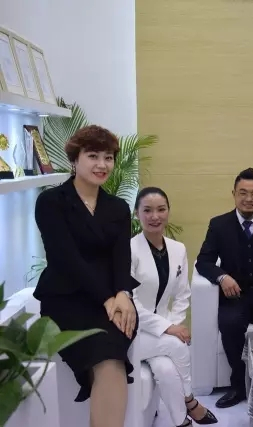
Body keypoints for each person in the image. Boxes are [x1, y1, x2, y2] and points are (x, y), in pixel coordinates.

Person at [33, 125, 138, 427]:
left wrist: (123, 294)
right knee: (103, 352)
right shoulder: (51, 202)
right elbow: (67, 260)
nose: (102, 164)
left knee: (112, 357)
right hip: (67, 300)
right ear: (74, 160)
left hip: (113, 298)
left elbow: (121, 258)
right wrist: (107, 298)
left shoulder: (118, 208)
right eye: (93, 156)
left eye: (108, 157)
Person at [196, 168, 253, 409]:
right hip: (234, 297)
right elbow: (203, 261)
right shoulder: (219, 225)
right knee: (230, 324)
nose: (249, 198)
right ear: (234, 194)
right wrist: (222, 277)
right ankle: (238, 384)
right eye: (243, 193)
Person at [131, 187, 217, 426]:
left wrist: (172, 325)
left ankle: (181, 422)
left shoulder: (178, 250)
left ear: (168, 211)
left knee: (166, 370)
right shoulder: (129, 250)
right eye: (147, 210)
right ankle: (191, 401)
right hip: (132, 331)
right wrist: (168, 329)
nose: (154, 216)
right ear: (137, 213)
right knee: (177, 346)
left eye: (161, 209)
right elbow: (131, 303)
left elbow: (182, 295)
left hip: (160, 329)